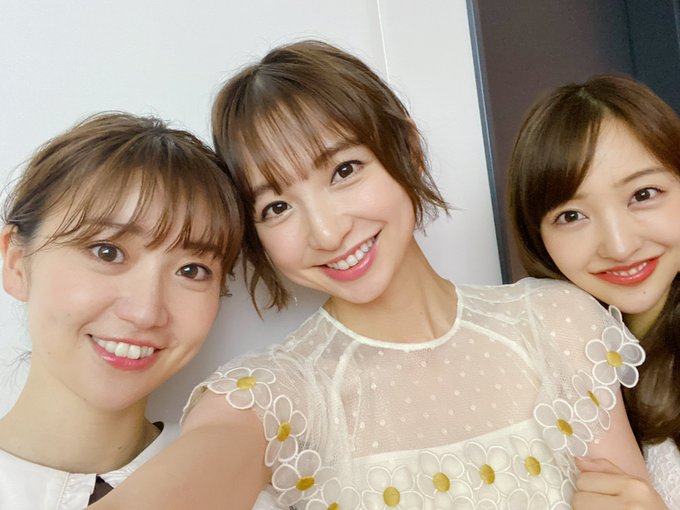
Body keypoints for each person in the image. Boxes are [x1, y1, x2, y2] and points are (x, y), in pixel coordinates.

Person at [91, 41, 648, 510]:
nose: (327, 231)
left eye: (344, 170)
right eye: (277, 206)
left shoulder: (556, 324)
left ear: (406, 149)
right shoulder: (280, 396)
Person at [0, 112, 243, 509]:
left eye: (191, 270)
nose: (146, 312)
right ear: (16, 263)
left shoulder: (246, 493)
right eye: (107, 252)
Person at [509, 75, 679, 508]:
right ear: (538, 237)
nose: (619, 246)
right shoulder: (547, 363)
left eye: (643, 194)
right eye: (572, 216)